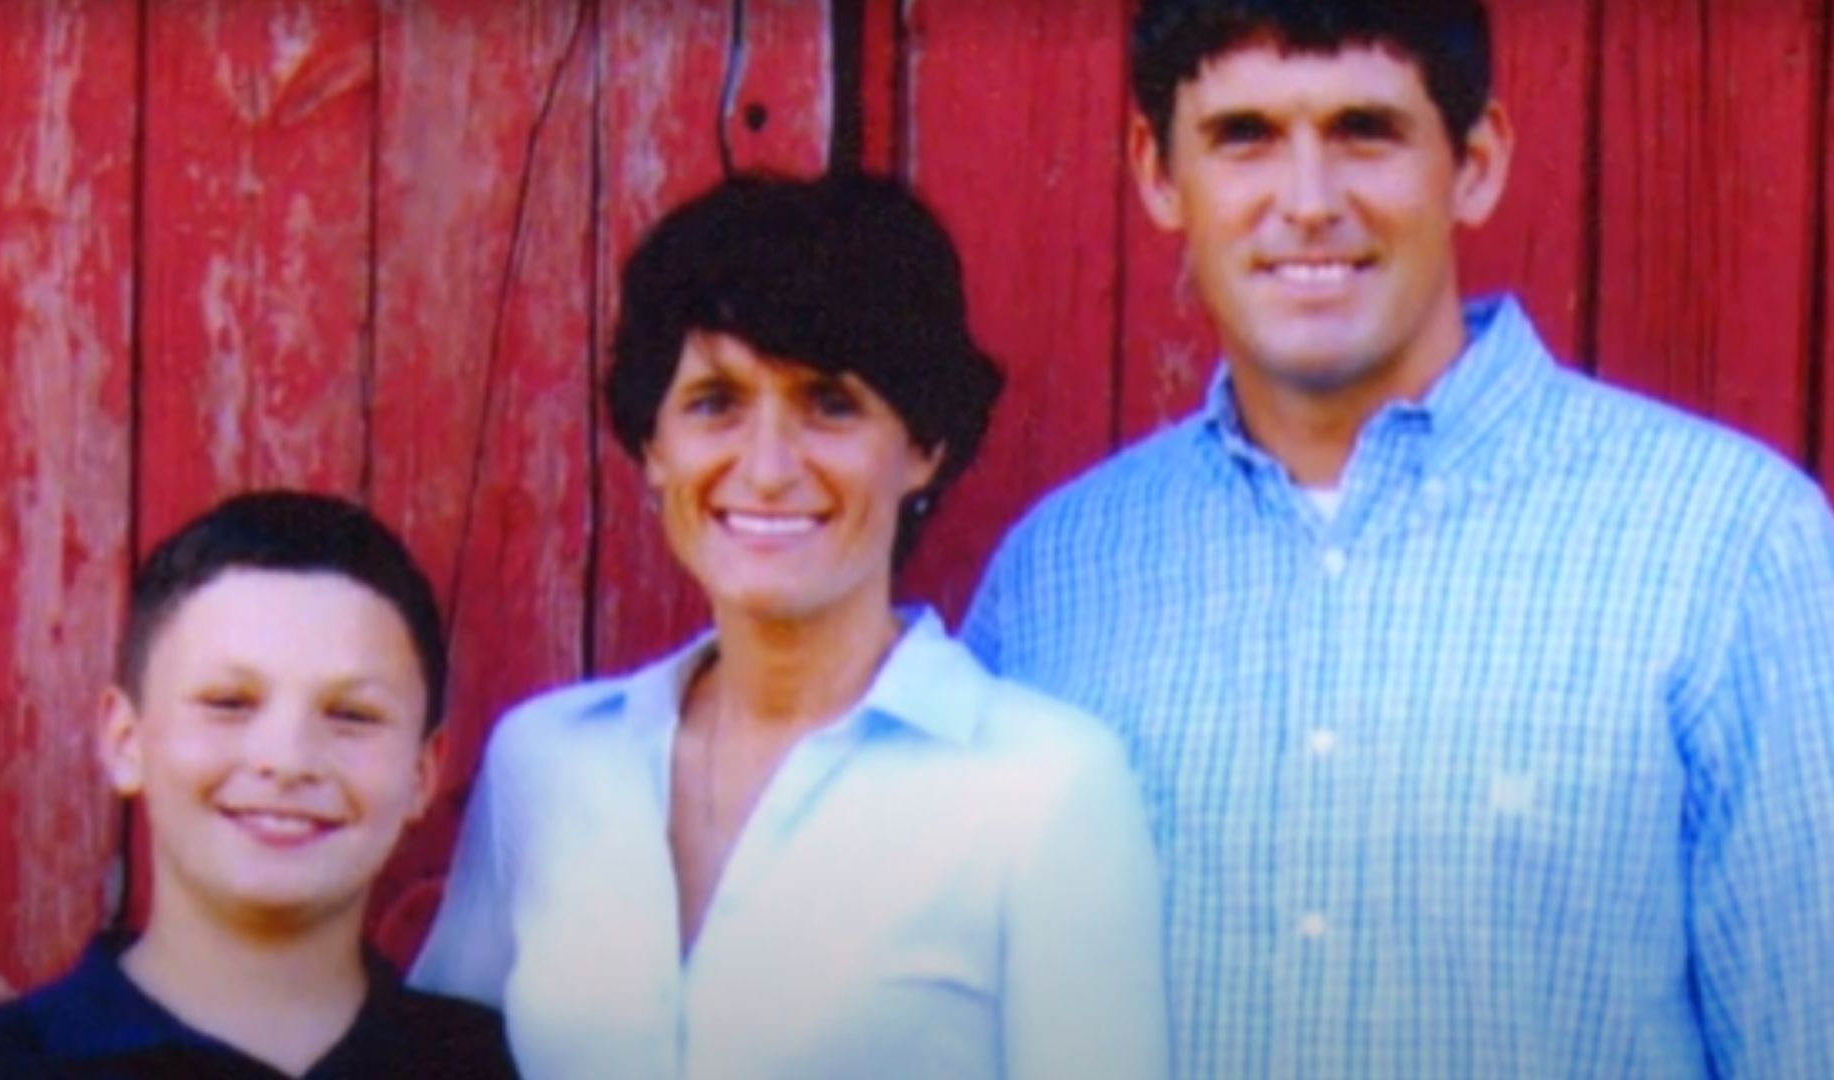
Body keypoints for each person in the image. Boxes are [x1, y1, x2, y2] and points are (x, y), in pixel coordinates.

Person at [960, 0, 1834, 1076]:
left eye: (1364, 130)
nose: (1309, 202)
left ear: (1475, 160)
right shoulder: (1056, 585)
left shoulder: (1730, 548)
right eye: (1246, 137)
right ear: (1155, 170)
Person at [408, 172, 1170, 1080]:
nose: (767, 468)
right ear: (654, 444)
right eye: (715, 403)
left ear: (924, 445)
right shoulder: (544, 764)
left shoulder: (1046, 787)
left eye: (830, 404)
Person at [0, 491, 518, 1078]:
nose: (287, 761)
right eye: (229, 702)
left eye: (353, 715)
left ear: (422, 772)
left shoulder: (487, 1064)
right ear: (127, 742)